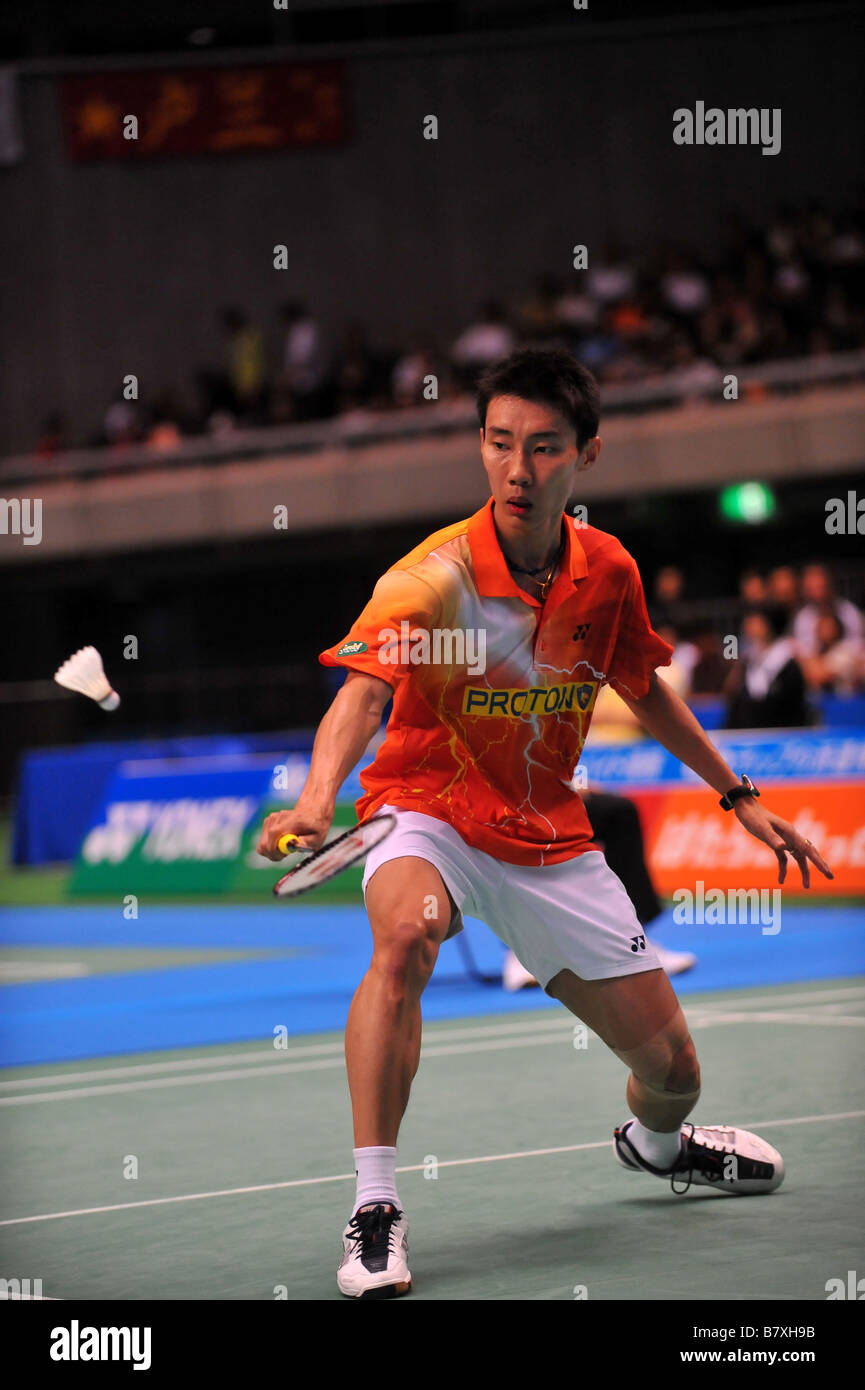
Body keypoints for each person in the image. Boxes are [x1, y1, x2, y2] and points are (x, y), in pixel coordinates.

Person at [257, 346, 832, 1300]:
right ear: (479, 446)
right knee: (403, 940)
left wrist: (739, 795)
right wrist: (319, 799)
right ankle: (374, 1209)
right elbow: (362, 694)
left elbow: (643, 687)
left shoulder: (605, 572)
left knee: (673, 1067)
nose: (516, 470)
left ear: (586, 456)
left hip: (546, 834)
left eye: (542, 447)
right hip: (424, 806)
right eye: (496, 443)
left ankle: (657, 1146)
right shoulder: (434, 578)